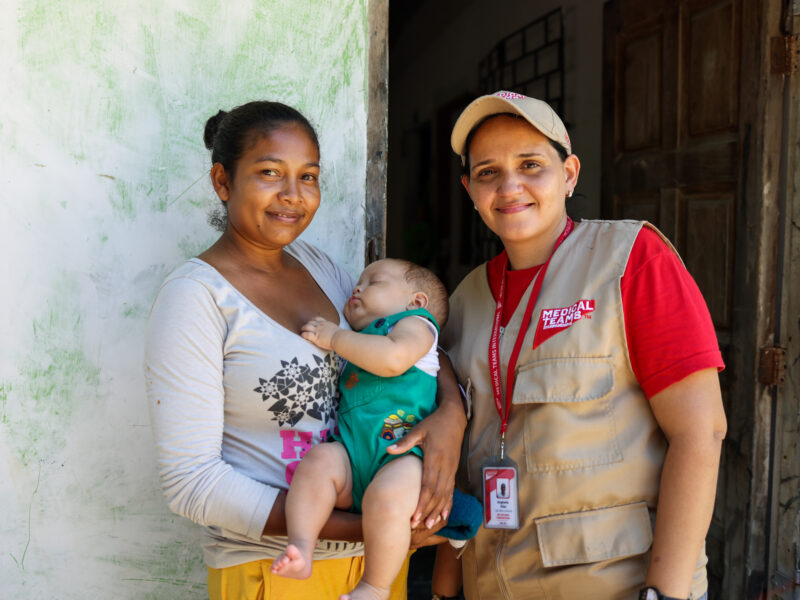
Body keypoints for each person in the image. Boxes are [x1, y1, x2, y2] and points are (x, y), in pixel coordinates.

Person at [144, 100, 466, 600]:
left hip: (375, 570)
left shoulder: (322, 269)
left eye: (308, 176)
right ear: (223, 181)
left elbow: (409, 340)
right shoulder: (196, 298)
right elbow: (193, 484)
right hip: (274, 570)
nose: (293, 196)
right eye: (270, 172)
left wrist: (452, 411)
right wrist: (373, 525)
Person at [440, 91, 727, 600]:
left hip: (618, 586)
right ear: (469, 188)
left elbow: (700, 433)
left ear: (569, 174)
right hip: (492, 584)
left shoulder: (631, 260)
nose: (510, 186)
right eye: (487, 172)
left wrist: (665, 594)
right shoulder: (464, 302)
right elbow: (463, 463)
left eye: (531, 164)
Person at [271, 258, 451, 600]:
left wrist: (335, 337)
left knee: (388, 504)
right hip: (352, 451)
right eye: (359, 282)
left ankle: (374, 587)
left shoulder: (416, 325)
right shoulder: (362, 336)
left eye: (374, 281)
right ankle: (300, 547)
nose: (358, 287)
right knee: (318, 463)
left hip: (401, 453)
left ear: (416, 301)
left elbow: (393, 358)